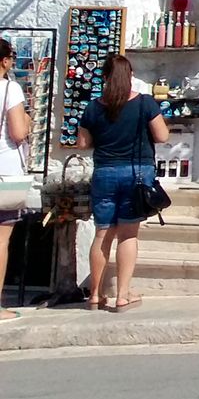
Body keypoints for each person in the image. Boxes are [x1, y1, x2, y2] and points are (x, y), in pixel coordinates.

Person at [73, 53, 166, 312]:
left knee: (102, 234)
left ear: (104, 78)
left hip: (104, 173)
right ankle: (122, 295)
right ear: (130, 77)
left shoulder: (93, 107)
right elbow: (162, 135)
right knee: (128, 235)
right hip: (137, 174)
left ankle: (95, 294)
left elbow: (83, 144)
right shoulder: (145, 104)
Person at [0, 38, 32, 321]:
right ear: (5, 61)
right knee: (0, 240)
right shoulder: (10, 88)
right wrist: (29, 122)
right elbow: (18, 133)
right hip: (4, 171)